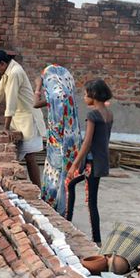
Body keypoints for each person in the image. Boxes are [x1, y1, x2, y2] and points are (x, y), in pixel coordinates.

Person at [0, 50, 47, 188]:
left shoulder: (15, 72)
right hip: (20, 119)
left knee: (30, 157)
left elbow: (11, 101)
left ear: (2, 64)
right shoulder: (8, 71)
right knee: (23, 157)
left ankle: (37, 191)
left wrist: (6, 128)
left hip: (28, 119)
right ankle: (31, 189)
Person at [65, 78, 113, 245]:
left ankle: (96, 240)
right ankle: (68, 222)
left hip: (92, 164)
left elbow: (87, 142)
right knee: (72, 187)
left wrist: (74, 165)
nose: (84, 98)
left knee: (91, 202)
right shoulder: (108, 113)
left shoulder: (92, 115)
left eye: (85, 95)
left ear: (93, 95)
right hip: (100, 161)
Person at [33, 65, 82, 215]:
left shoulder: (56, 97)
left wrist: (37, 87)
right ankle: (60, 208)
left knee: (56, 176)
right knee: (61, 178)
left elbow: (35, 103)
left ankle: (57, 210)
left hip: (59, 145)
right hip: (67, 145)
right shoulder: (65, 96)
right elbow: (37, 104)